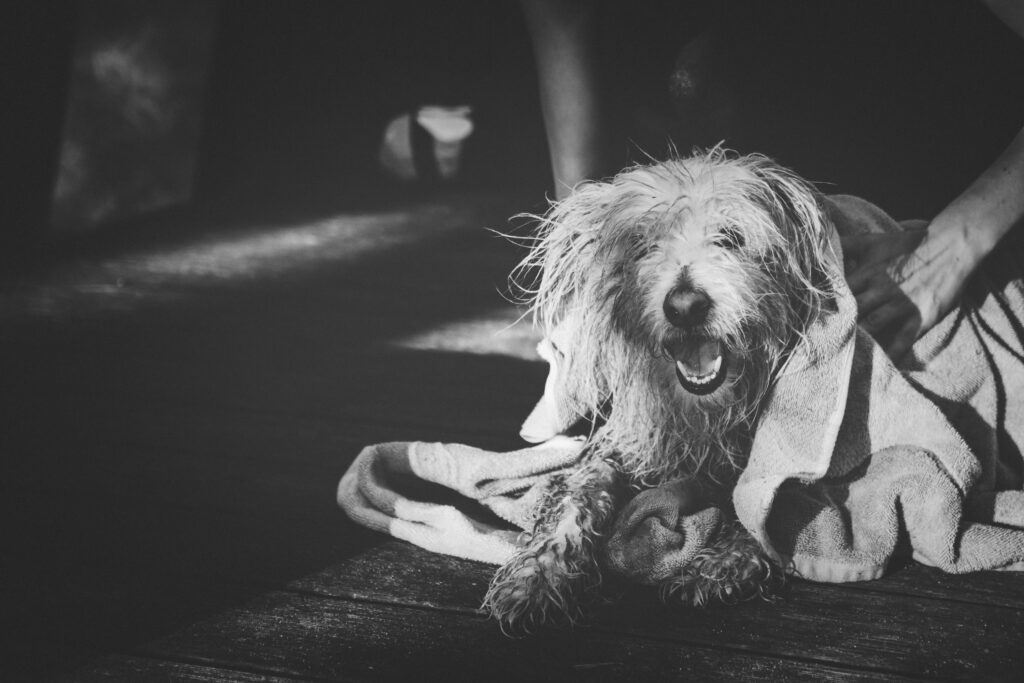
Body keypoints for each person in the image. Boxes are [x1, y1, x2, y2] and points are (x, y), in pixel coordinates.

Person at [520, 0, 1024, 362]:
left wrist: (954, 244)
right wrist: (583, 253)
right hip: (685, 219)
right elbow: (561, 18)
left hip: (918, 224)